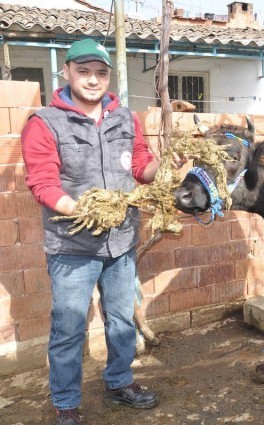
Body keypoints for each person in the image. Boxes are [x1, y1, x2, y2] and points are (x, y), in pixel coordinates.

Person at [21, 38, 181, 425]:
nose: (93, 80)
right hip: (71, 246)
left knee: (122, 319)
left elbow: (140, 164)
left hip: (121, 241)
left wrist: (167, 168)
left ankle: (119, 382)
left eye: (101, 73)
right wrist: (85, 212)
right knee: (69, 328)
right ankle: (66, 403)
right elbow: (42, 183)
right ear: (68, 72)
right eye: (84, 71)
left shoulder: (125, 117)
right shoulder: (44, 122)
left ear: (108, 76)